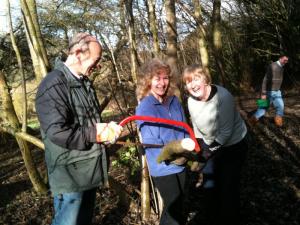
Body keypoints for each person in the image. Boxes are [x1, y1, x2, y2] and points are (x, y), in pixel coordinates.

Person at [35, 33, 123, 225]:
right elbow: (57, 132)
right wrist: (96, 133)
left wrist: (106, 132)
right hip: (70, 176)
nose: (97, 66)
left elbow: (88, 123)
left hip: (87, 172)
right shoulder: (53, 84)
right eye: (96, 60)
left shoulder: (83, 83)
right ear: (78, 53)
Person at [182, 64, 248, 225]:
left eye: (196, 79)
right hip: (210, 144)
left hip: (233, 145)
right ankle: (212, 218)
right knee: (209, 186)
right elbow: (196, 126)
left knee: (228, 188)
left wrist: (206, 153)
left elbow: (225, 133)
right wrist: (199, 148)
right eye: (188, 82)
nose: (193, 85)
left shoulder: (223, 97)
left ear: (205, 79)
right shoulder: (191, 101)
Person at [135, 58, 189, 225]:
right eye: (157, 78)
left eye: (165, 78)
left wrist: (189, 150)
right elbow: (152, 142)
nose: (162, 83)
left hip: (182, 161)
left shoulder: (174, 101)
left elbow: (185, 128)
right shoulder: (145, 107)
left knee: (180, 208)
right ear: (148, 81)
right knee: (172, 212)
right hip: (163, 167)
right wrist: (174, 151)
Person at [250, 55, 289, 127]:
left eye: (287, 60)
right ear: (280, 58)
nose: (286, 62)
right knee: (262, 109)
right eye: (284, 60)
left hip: (277, 92)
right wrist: (263, 93)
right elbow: (265, 80)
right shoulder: (273, 66)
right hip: (269, 92)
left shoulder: (281, 67)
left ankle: (278, 120)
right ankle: (252, 120)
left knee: (281, 106)